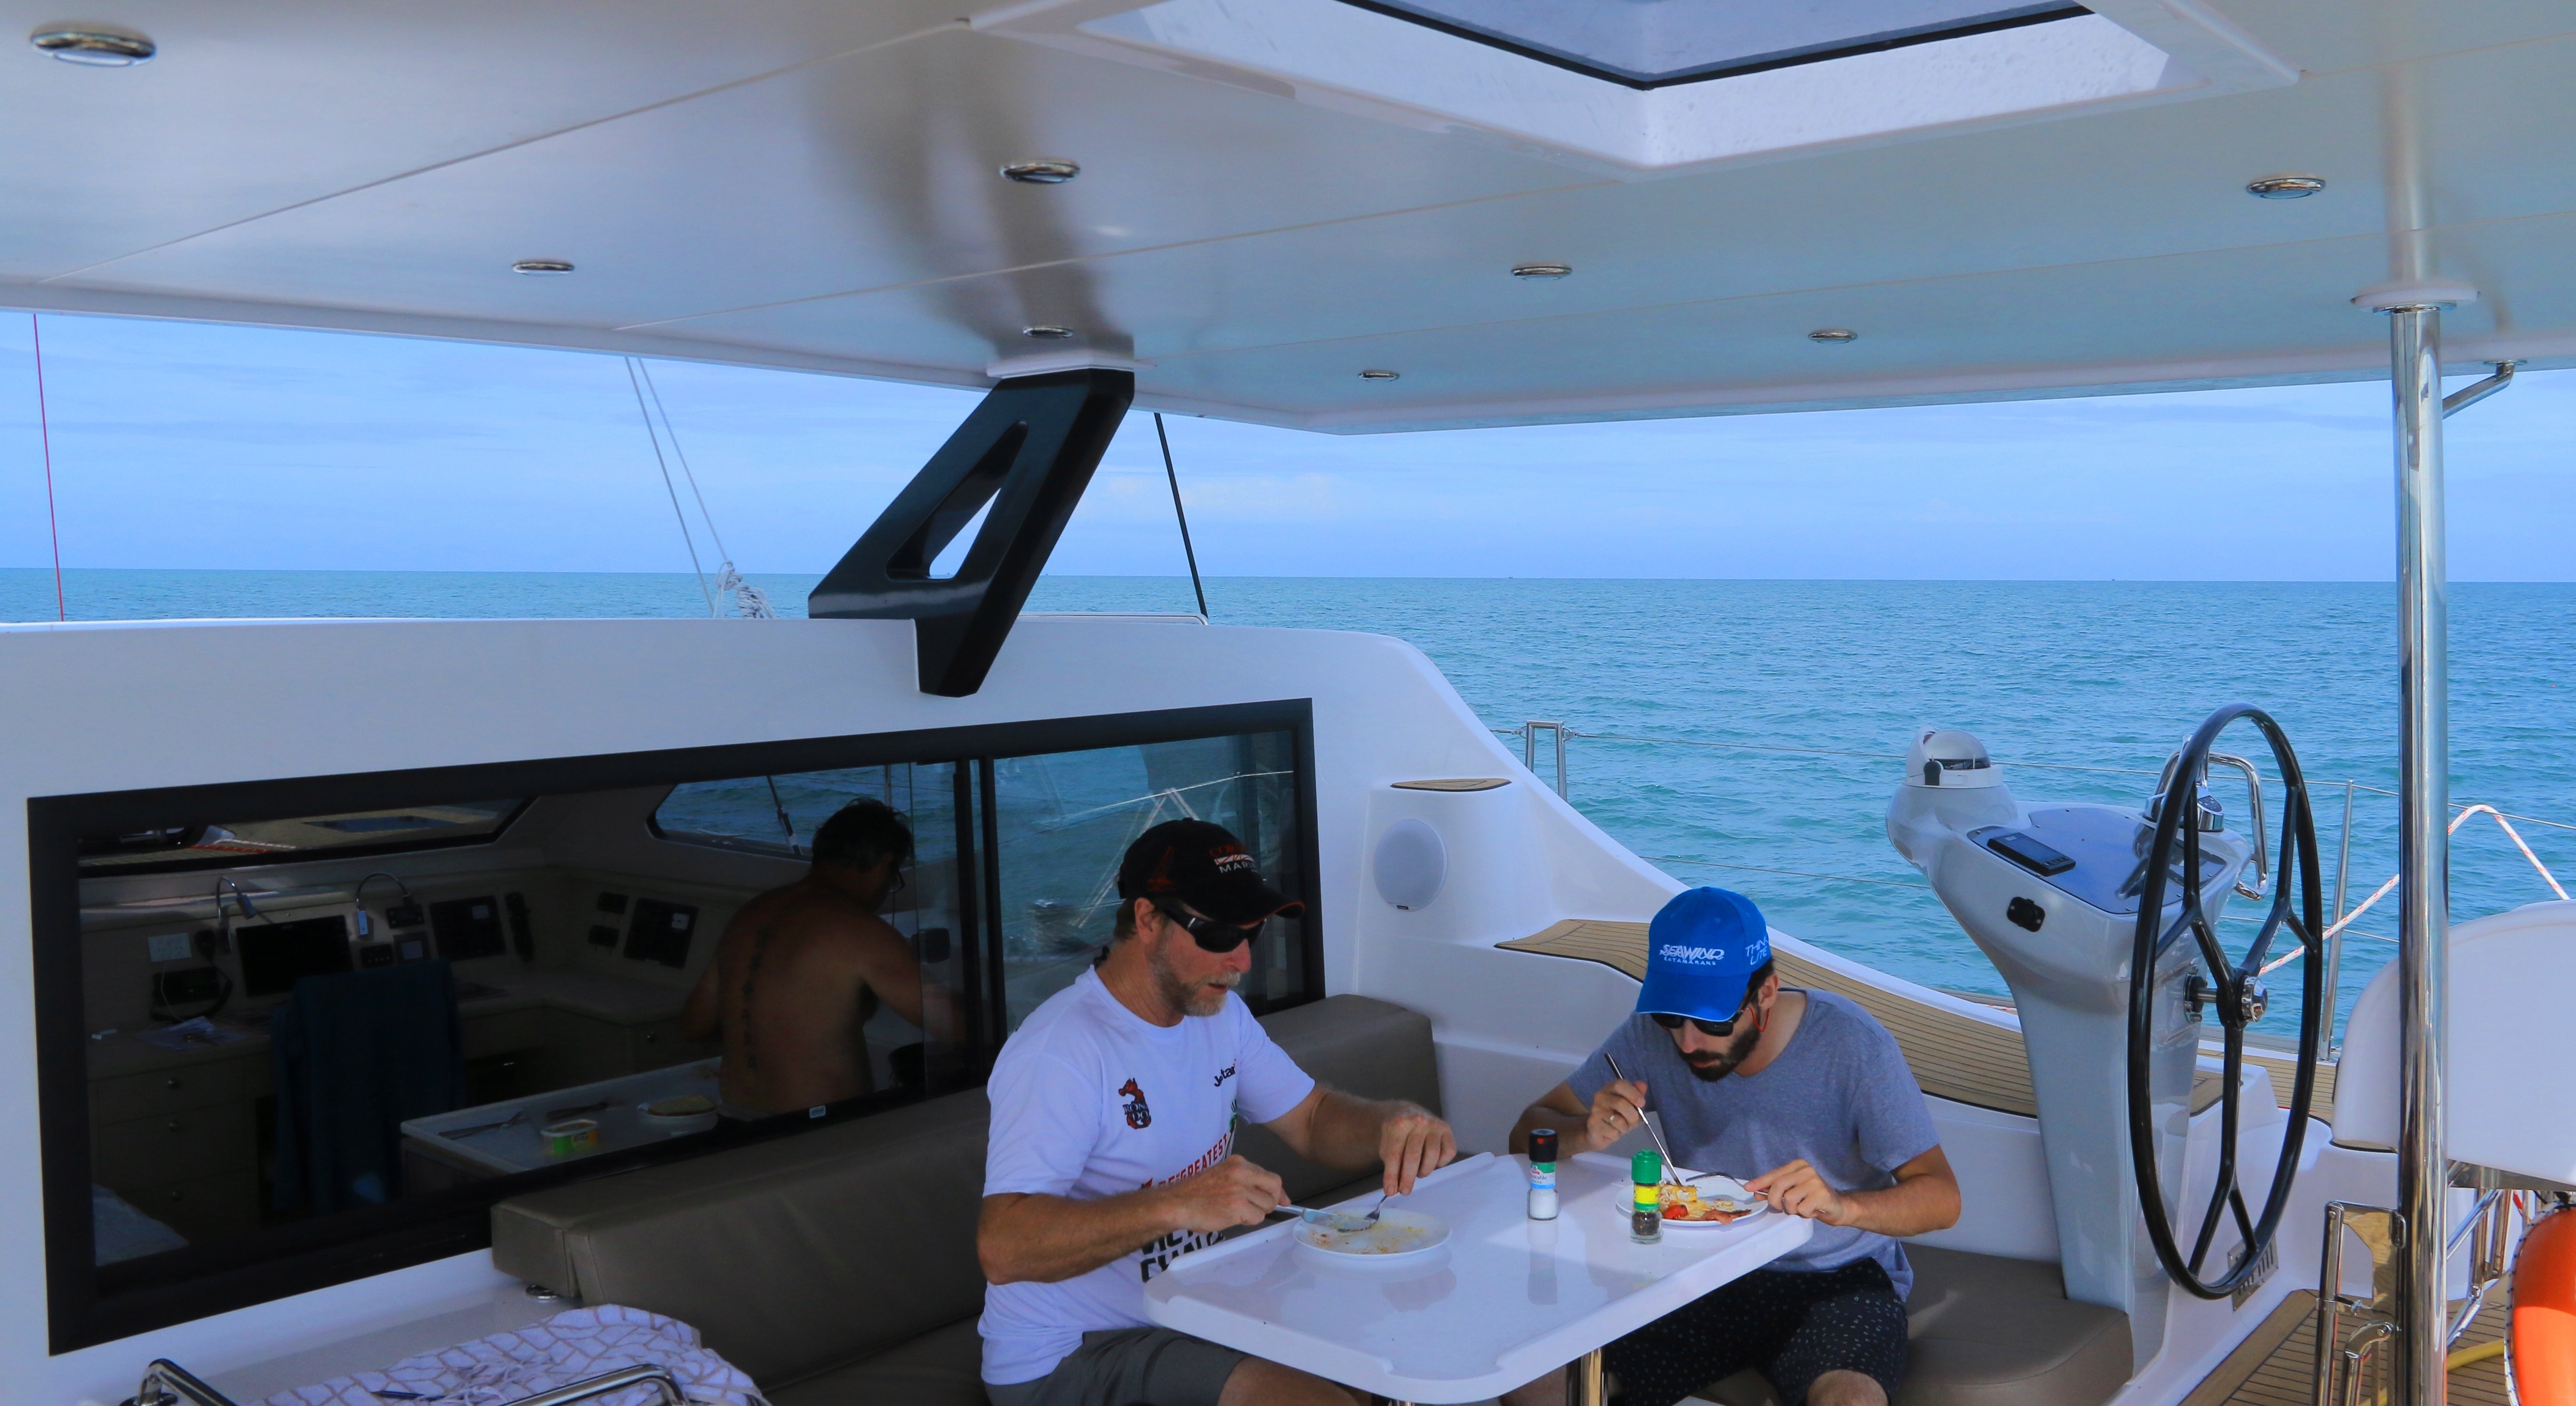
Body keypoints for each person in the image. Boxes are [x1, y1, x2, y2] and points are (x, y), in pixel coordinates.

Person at [978, 818, 1459, 1406]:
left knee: (1405, 1350)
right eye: (1220, 933)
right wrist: (1180, 1201)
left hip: (1195, 1312)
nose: (1242, 960)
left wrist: (1390, 1125)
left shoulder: (1218, 1014)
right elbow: (1003, 1248)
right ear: (1148, 919)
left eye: (1251, 934)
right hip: (1072, 1353)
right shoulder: (1063, 1051)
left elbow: (1311, 1118)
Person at [1506, 887, 1960, 1406]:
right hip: (1704, 1268)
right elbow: (1528, 1130)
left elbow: (1943, 1197)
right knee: (1536, 1381)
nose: (1688, 1042)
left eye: (1714, 1020)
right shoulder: (1651, 1036)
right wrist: (1585, 1131)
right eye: (1671, 1018)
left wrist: (1843, 1205)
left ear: (1766, 992)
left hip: (1837, 1279)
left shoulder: (1853, 1046)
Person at [679, 798, 948, 1114]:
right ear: (883, 864)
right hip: (820, 1135)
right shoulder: (857, 929)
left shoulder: (750, 916)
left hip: (737, 1120)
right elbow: (949, 1021)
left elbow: (694, 1025)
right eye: (894, 877)